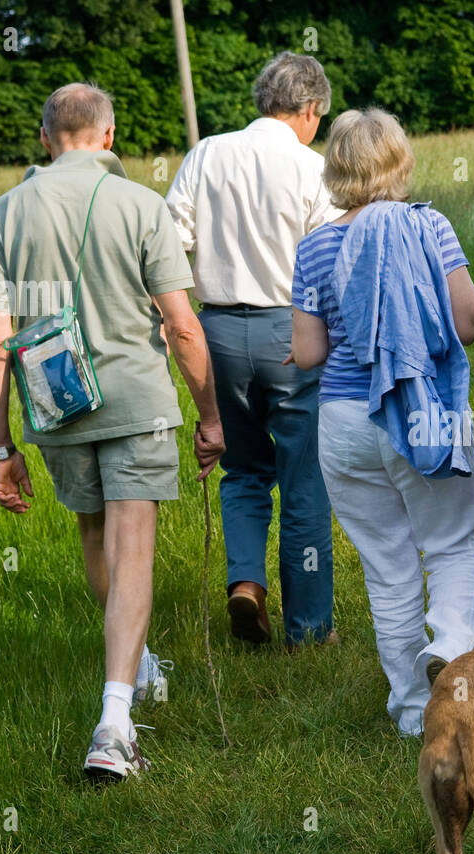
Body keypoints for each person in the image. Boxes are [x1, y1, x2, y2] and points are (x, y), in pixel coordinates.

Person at [0, 83, 225, 780]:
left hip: (56, 404)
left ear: (46, 135)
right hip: (136, 399)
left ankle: (138, 663)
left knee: (94, 535)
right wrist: (209, 416)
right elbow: (181, 325)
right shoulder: (143, 206)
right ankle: (115, 721)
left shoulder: (3, 212)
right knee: (133, 545)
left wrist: (2, 447)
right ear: (108, 138)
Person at [290, 108, 474, 736]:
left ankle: (410, 712)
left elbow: (310, 354)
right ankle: (451, 646)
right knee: (452, 544)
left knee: (388, 568)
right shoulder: (429, 227)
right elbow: (469, 319)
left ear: (336, 170)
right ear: (400, 163)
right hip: (417, 410)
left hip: (345, 421)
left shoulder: (315, 245)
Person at [165, 52, 339, 650]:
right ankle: (310, 627)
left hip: (215, 333)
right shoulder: (314, 169)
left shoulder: (206, 153)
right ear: (311, 109)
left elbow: (171, 243)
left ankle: (246, 585)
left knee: (242, 471)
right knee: (304, 481)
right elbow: (330, 265)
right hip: (292, 333)